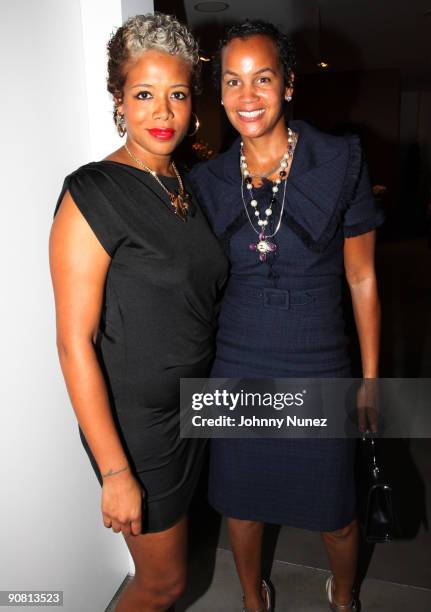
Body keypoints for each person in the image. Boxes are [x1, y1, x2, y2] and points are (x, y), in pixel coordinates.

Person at [190, 20, 384, 612]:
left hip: (319, 357)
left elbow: (362, 276)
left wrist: (371, 382)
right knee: (241, 505)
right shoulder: (205, 181)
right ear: (219, 93)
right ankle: (254, 598)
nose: (247, 96)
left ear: (289, 84)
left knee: (337, 512)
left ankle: (344, 597)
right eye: (232, 81)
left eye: (263, 78)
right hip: (239, 360)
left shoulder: (339, 161)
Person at [49, 13, 227, 612]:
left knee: (172, 571)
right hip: (136, 428)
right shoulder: (93, 191)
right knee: (164, 585)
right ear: (119, 101)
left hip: (190, 410)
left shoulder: (185, 183)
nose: (163, 111)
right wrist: (115, 471)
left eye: (176, 94)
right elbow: (75, 341)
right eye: (144, 94)